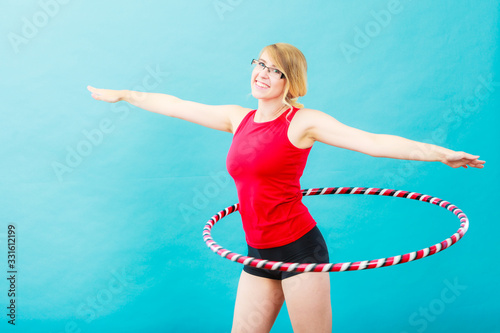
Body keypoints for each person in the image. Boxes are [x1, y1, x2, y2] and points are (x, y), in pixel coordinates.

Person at [87, 43, 485, 333]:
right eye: (259, 64)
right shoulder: (236, 119)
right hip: (258, 250)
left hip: (299, 249)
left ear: (289, 80)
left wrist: (439, 153)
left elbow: (373, 142)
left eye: (274, 70)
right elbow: (175, 104)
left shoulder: (302, 122)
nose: (262, 73)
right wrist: (126, 95)